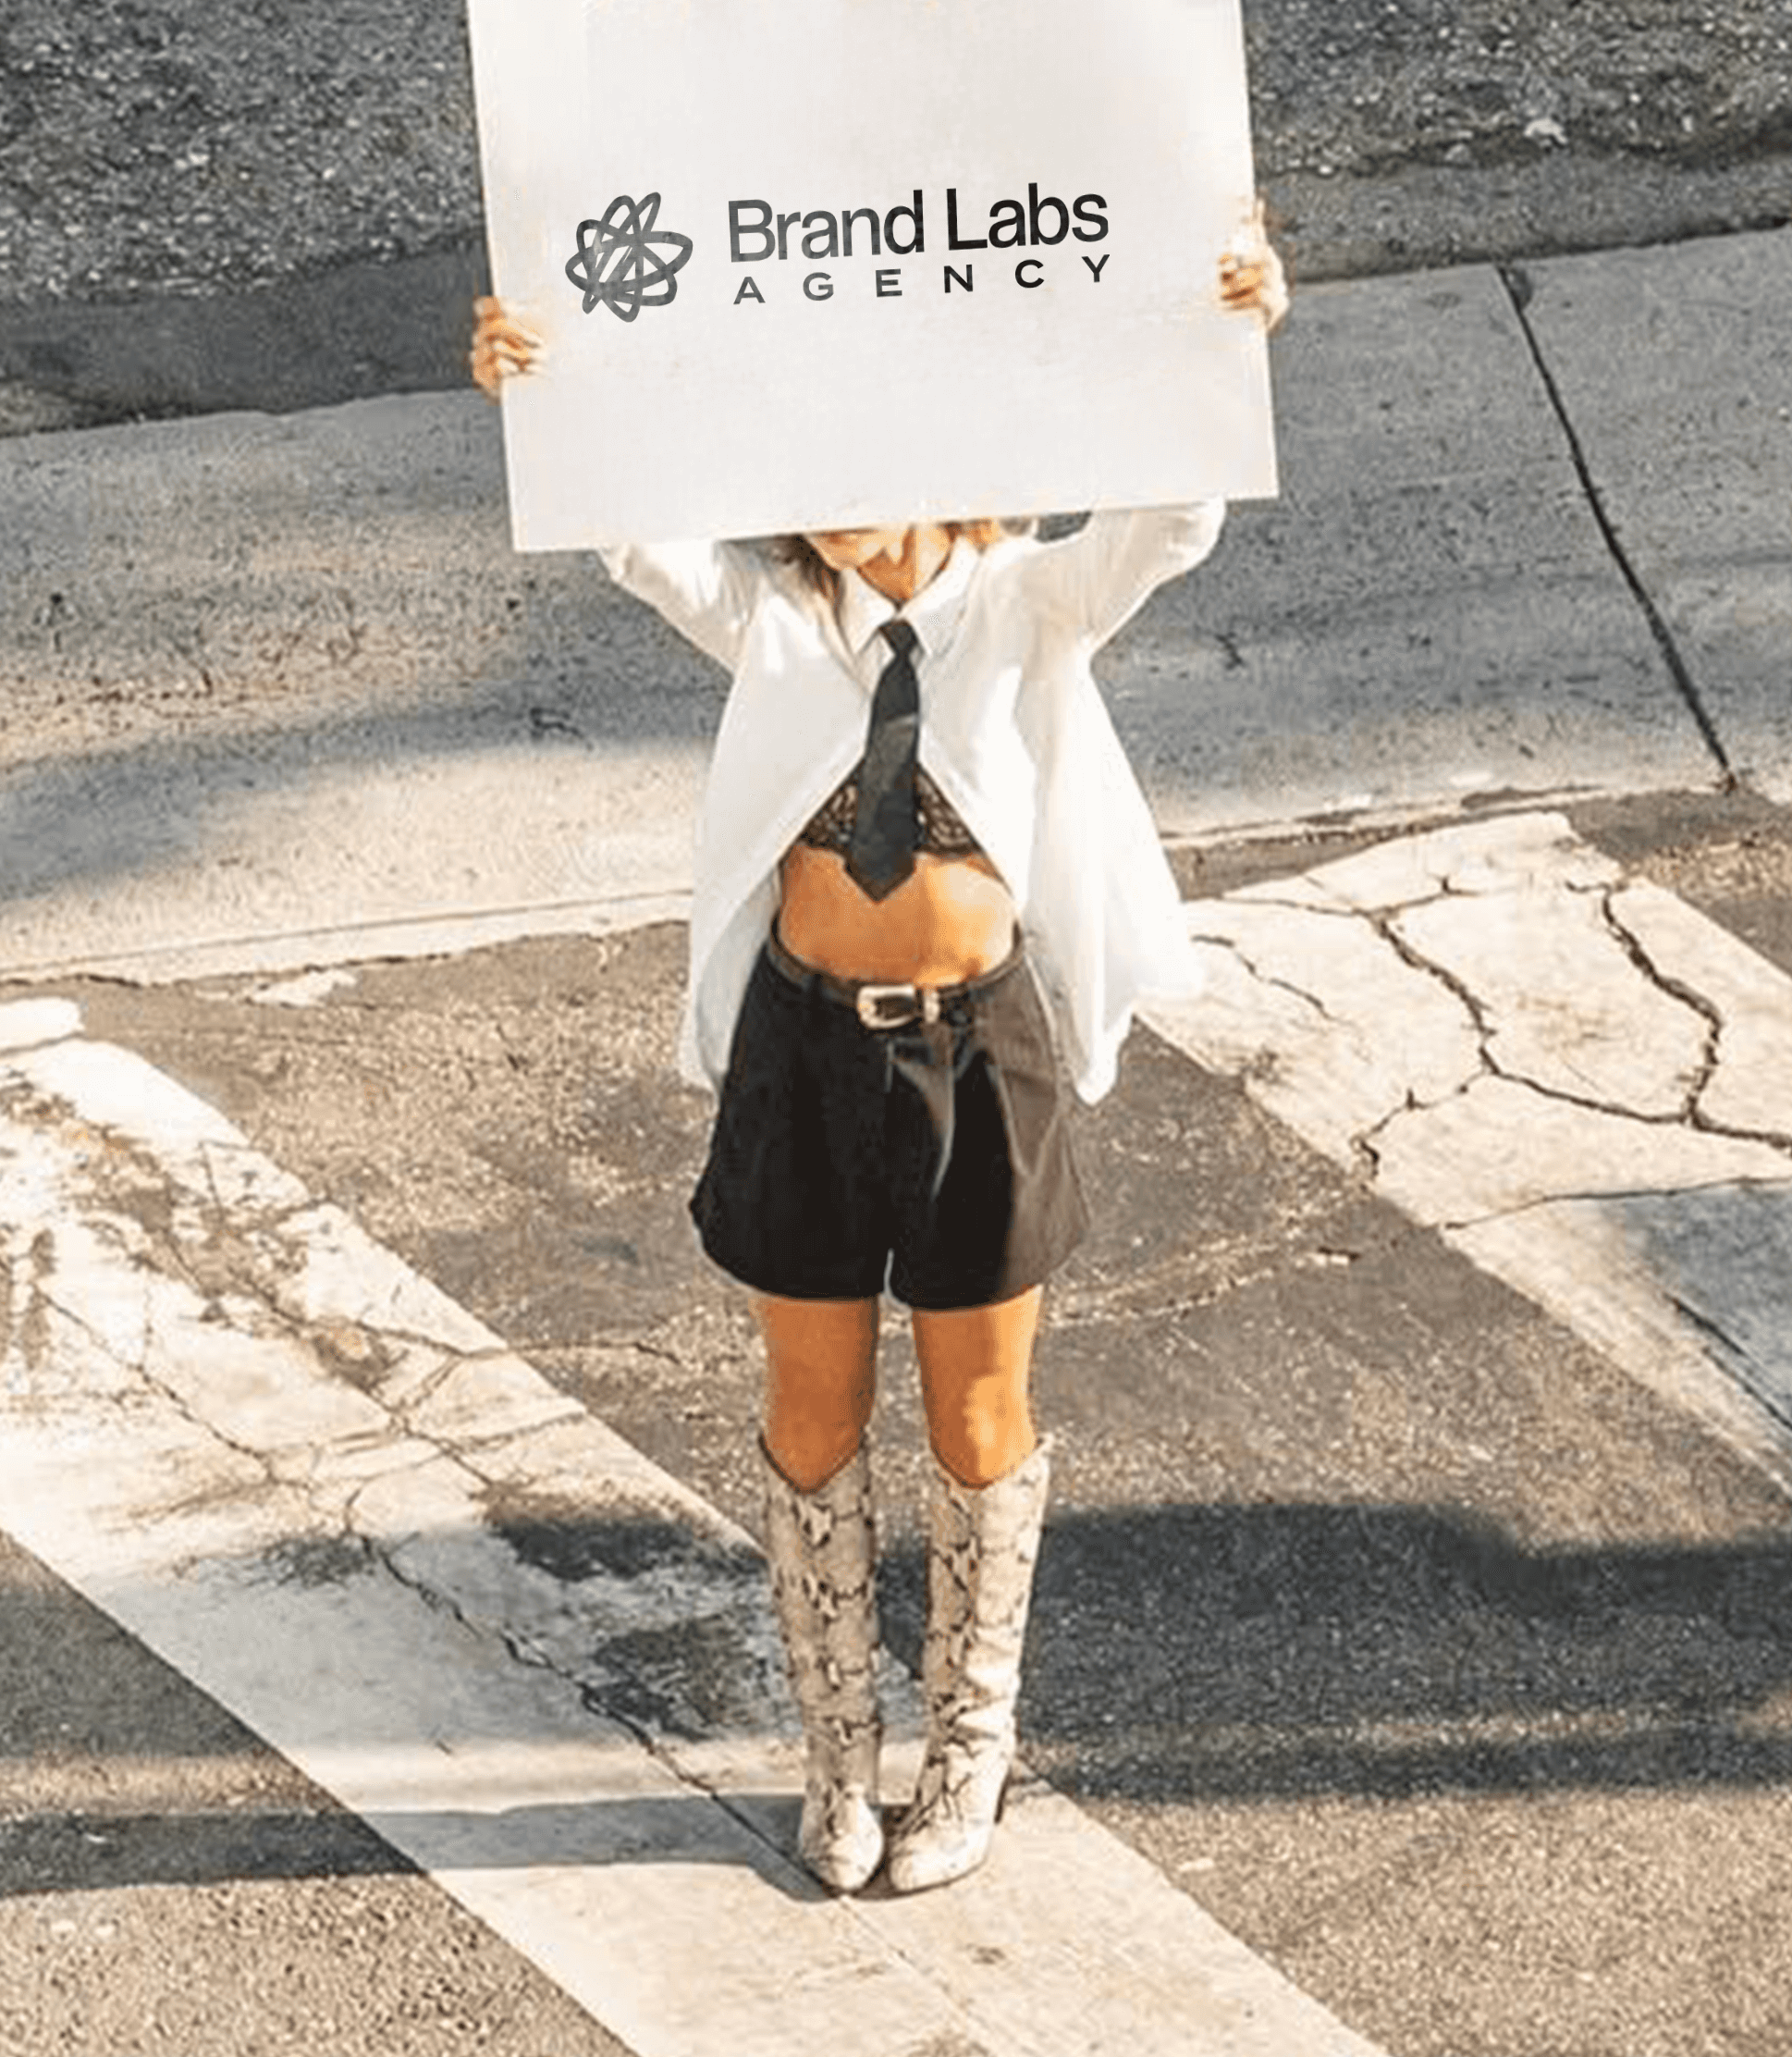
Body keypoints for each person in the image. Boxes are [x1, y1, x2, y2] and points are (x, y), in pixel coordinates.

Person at [470, 223, 1289, 1892]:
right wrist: (535, 381)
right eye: (805, 469)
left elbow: (1175, 521)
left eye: (864, 459)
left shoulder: (1032, 602)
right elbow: (628, 535)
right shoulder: (771, 614)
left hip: (980, 1059)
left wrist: (1230, 331)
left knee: (980, 1415)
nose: (834, 501)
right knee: (812, 1406)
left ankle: (968, 1755)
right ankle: (840, 1764)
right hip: (807, 1057)